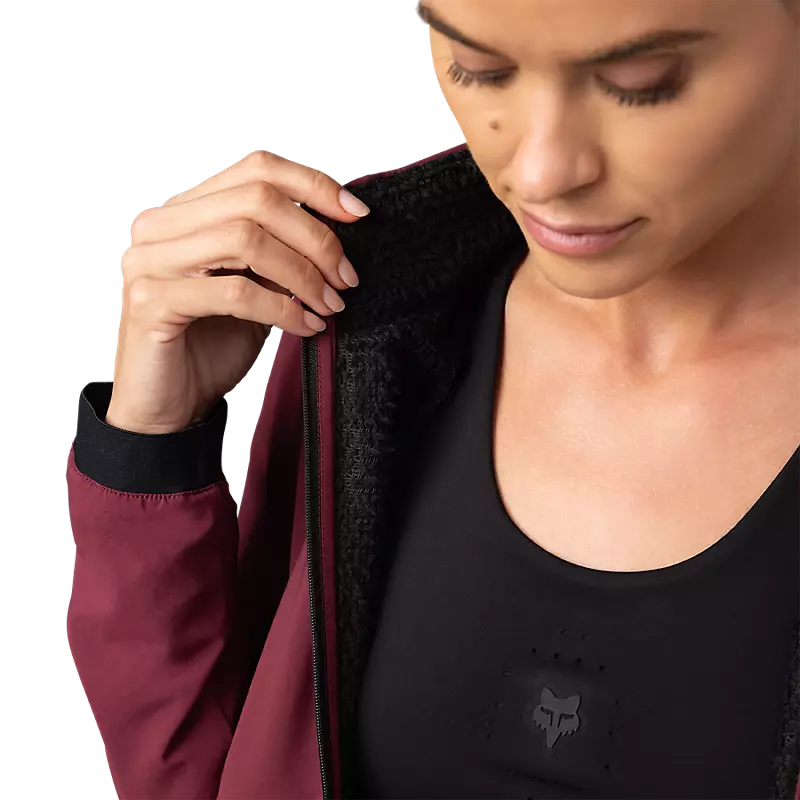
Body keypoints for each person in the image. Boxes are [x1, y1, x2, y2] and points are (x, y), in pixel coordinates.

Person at [64, 0, 800, 797]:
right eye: (478, 68)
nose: (542, 170)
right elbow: (220, 775)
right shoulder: (374, 325)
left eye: (640, 82)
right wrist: (154, 450)